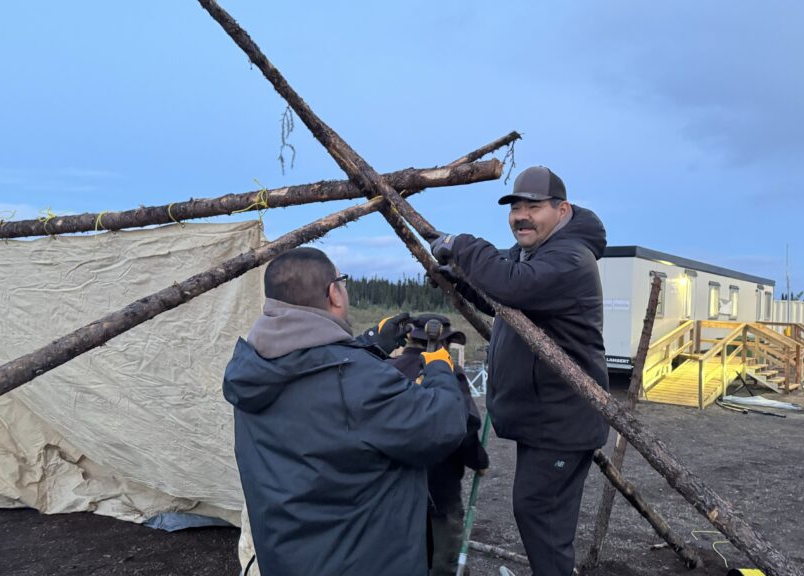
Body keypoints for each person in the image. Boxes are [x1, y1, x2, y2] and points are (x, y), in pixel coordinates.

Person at [222, 247, 467, 576]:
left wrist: (370, 342)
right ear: (334, 293)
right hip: (363, 561)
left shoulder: (253, 367)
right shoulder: (360, 381)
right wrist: (438, 367)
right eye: (343, 282)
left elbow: (321, 369)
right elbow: (442, 424)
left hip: (289, 558)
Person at [429, 166, 610, 576]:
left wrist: (462, 246)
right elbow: (504, 302)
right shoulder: (535, 253)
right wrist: (461, 282)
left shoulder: (570, 258)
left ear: (562, 210)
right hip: (544, 416)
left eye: (533, 206)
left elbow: (512, 285)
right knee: (537, 514)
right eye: (514, 207)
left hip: (563, 418)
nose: (520, 216)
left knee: (540, 516)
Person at [388, 314, 490, 576]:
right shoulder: (450, 373)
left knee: (405, 555)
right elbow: (464, 427)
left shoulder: (389, 370)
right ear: (442, 342)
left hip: (397, 486)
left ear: (411, 338)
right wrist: (479, 460)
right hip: (441, 485)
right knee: (444, 561)